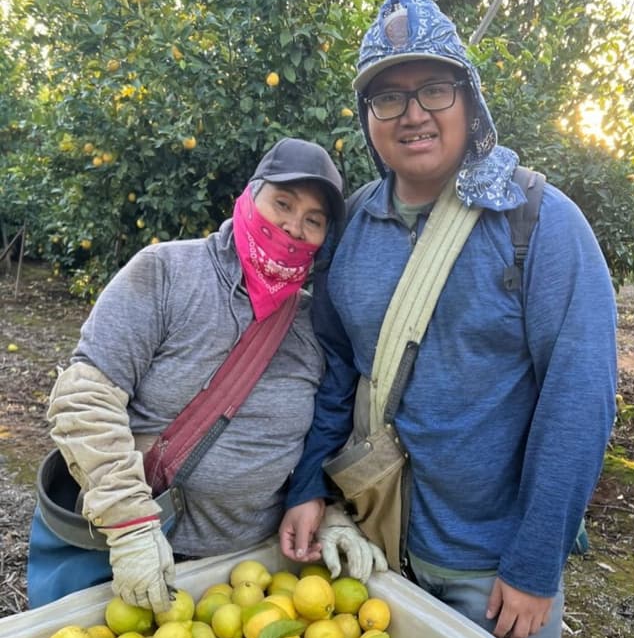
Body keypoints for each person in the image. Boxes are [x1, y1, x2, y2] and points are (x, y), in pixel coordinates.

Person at [279, 0, 617, 638]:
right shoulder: (350, 229)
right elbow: (337, 373)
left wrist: (533, 563)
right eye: (388, 98)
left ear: (469, 100)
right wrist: (308, 486)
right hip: (378, 543)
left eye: (433, 89)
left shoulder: (538, 223)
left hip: (494, 569)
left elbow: (579, 399)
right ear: (366, 118)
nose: (413, 115)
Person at [29, 138, 384, 611]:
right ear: (249, 195)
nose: (292, 227)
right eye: (282, 203)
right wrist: (129, 525)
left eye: (313, 221)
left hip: (247, 579)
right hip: (130, 559)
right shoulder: (166, 272)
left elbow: (322, 435)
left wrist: (328, 510)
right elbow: (84, 397)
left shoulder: (313, 323)